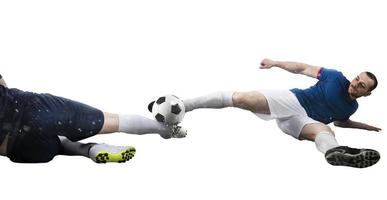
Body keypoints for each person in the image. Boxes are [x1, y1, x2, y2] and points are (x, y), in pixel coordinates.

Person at [181, 59, 381, 168]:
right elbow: (303, 68)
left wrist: (367, 127)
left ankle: (335, 153)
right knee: (243, 99)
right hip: (293, 100)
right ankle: (185, 105)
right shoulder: (335, 77)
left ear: (367, 93)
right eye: (356, 79)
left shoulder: (351, 108)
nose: (355, 84)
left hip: (303, 122)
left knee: (325, 130)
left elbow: (342, 122)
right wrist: (276, 63)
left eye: (361, 85)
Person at [0, 74, 187, 164]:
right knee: (112, 121)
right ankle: (166, 129)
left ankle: (90, 149)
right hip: (31, 110)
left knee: (58, 146)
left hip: (18, 150)